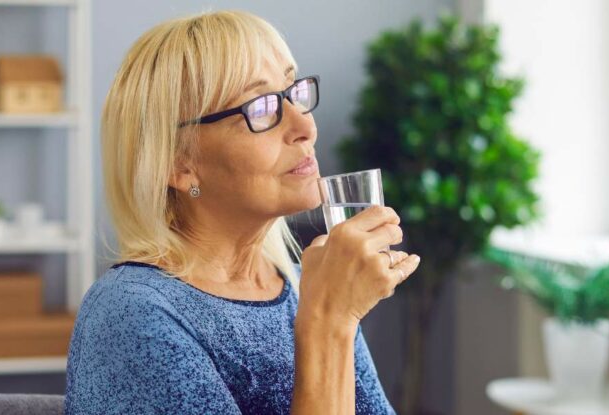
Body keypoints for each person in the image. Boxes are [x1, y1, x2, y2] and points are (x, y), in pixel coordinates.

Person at [64, 10, 420, 415]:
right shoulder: (131, 314)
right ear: (178, 164)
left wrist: (330, 315)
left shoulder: (308, 288)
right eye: (262, 107)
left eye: (293, 92)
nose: (306, 125)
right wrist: (328, 325)